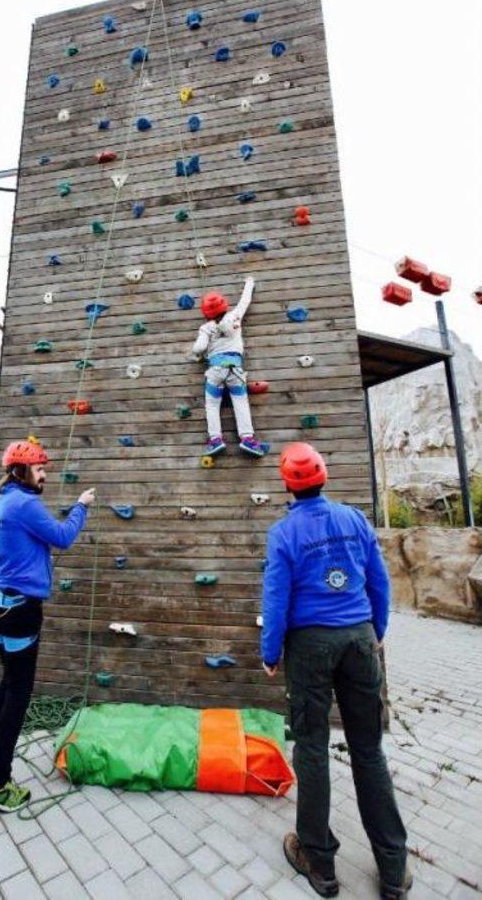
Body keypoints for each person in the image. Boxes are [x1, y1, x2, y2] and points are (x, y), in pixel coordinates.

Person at [261, 442, 411, 899]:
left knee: (311, 748)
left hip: (310, 646)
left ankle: (320, 865)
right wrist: (376, 628)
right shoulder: (354, 520)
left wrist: (270, 652)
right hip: (359, 639)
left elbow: (276, 599)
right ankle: (392, 871)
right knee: (369, 751)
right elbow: (378, 580)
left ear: (288, 483)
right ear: (324, 476)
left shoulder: (284, 532)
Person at [0, 438, 95, 813]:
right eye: (40, 469)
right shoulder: (25, 504)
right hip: (20, 612)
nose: (45, 475)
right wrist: (82, 507)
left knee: (7, 685)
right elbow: (64, 537)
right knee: (18, 695)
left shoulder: (0, 504)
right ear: (22, 471)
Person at [192, 275, 265, 457]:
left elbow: (199, 347)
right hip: (235, 369)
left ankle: (215, 440)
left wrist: (199, 354)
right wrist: (250, 282)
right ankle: (247, 439)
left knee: (212, 404)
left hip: (216, 370)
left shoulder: (206, 328)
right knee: (240, 402)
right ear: (223, 305)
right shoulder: (235, 317)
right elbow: (245, 300)